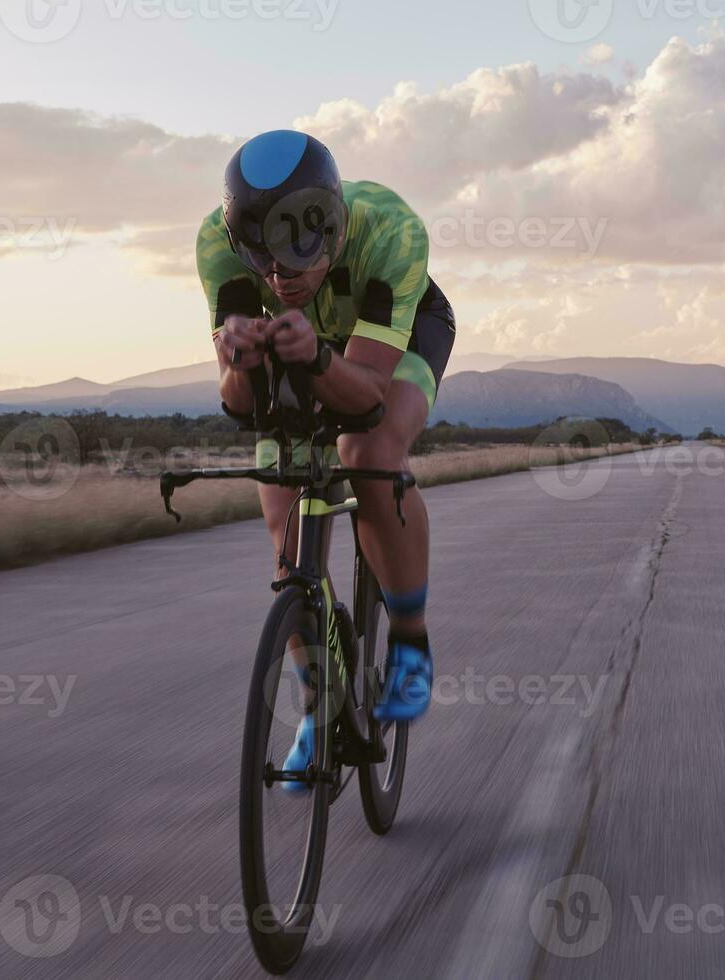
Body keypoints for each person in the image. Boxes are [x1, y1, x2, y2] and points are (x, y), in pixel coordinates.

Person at [196, 130, 456, 785]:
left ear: (334, 227)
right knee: (283, 512)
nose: (281, 279)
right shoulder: (218, 241)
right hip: (297, 349)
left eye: (297, 258)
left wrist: (315, 355)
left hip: (397, 339)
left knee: (368, 452)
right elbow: (239, 409)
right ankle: (320, 705)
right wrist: (236, 357)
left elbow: (366, 398)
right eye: (265, 264)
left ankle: (412, 642)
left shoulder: (391, 232)